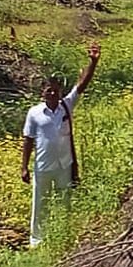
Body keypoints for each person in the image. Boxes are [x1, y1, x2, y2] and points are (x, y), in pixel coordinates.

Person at [21, 42, 101, 246]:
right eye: (49, 91)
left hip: (64, 165)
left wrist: (93, 63)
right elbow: (28, 140)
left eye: (55, 91)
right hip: (42, 167)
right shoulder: (34, 113)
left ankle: (63, 234)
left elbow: (81, 85)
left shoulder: (66, 105)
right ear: (43, 93)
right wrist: (24, 167)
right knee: (41, 204)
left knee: (65, 201)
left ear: (59, 91)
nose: (52, 94)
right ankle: (36, 240)